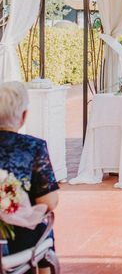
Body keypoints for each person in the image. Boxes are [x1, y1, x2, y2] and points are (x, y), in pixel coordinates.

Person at [0, 82, 59, 271]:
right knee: (41, 227)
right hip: (16, 240)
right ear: (23, 116)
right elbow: (49, 201)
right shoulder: (34, 147)